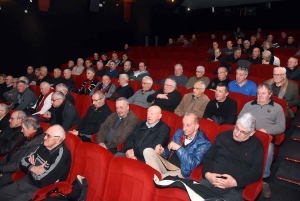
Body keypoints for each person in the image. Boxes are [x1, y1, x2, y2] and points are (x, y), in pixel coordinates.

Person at [200, 113, 264, 201]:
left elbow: (256, 171)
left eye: (243, 132)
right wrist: (208, 175)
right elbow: (208, 157)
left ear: (251, 133)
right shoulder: (222, 136)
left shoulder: (257, 146)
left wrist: (235, 182)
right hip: (210, 182)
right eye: (236, 128)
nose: (237, 134)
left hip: (234, 189)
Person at [0, 125, 71, 201]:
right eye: (45, 134)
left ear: (58, 140)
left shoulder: (62, 156)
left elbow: (43, 181)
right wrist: (32, 168)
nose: (44, 138)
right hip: (25, 181)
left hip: (38, 191)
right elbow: (23, 161)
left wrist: (28, 167)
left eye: (48, 136)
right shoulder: (43, 145)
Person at [238, 84, 285, 198]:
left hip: (265, 137)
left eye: (263, 93)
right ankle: (239, 172)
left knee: (268, 149)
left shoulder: (277, 108)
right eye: (258, 93)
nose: (260, 96)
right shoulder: (249, 105)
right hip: (248, 134)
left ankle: (262, 179)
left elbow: (281, 127)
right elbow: (239, 118)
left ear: (270, 94)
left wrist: (266, 130)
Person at [143, 112, 210, 179]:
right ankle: (158, 178)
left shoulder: (204, 143)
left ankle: (159, 178)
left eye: (188, 125)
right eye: (183, 124)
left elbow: (192, 166)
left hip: (181, 171)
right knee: (147, 151)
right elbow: (167, 153)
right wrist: (162, 152)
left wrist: (179, 148)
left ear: (196, 127)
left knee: (159, 177)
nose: (184, 128)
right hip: (168, 164)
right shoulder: (179, 132)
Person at [0, 117, 44, 187]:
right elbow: (12, 152)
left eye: (23, 128)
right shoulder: (27, 136)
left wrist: (2, 168)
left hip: (12, 172)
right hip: (7, 165)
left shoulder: (37, 144)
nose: (21, 131)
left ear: (31, 128)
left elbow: (20, 164)